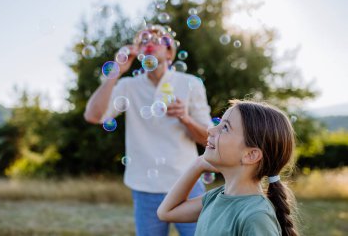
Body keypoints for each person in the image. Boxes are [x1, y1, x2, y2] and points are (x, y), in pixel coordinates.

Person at [84, 24, 212, 236]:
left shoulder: (190, 84)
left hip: (188, 183)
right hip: (144, 187)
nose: (149, 43)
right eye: (144, 40)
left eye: (158, 39)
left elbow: (208, 140)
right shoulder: (128, 86)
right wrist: (115, 72)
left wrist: (185, 118)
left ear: (170, 52)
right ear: (138, 52)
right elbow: (93, 116)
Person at [158, 100, 299, 236]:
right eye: (219, 123)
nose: (210, 129)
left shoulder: (256, 216)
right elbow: (166, 212)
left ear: (251, 155)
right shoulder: (216, 197)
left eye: (225, 127)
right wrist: (197, 165)